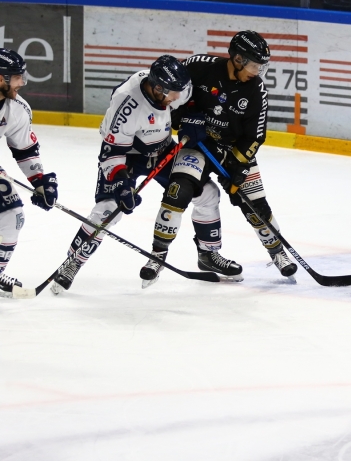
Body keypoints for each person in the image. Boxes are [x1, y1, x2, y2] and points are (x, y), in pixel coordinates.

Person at [50, 55, 242, 294]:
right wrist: (121, 184)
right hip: (126, 157)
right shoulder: (126, 104)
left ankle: (208, 254)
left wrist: (192, 119)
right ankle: (72, 262)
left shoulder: (171, 88)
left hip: (162, 149)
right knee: (108, 211)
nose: (177, 99)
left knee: (207, 193)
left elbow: (189, 103)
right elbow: (111, 154)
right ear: (158, 88)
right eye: (173, 94)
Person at [141, 30, 297, 285]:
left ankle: (278, 253)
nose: (258, 71)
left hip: (232, 151)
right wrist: (182, 120)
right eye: (255, 65)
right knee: (177, 191)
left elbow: (255, 137)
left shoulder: (257, 91)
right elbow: (170, 97)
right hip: (196, 144)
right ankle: (157, 256)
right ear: (237, 59)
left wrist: (238, 168)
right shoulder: (198, 67)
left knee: (256, 206)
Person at [0, 49, 59, 298]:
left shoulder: (17, 109)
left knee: (12, 213)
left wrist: (40, 181)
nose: (21, 83)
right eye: (16, 77)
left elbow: (24, 149)